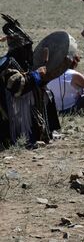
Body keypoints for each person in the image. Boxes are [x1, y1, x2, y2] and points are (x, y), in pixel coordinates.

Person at [1, 14, 60, 149]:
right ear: (19, 49)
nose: (30, 52)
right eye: (26, 49)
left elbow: (32, 80)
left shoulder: (21, 63)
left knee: (47, 93)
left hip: (22, 104)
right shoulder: (7, 63)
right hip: (10, 114)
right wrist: (37, 75)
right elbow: (17, 87)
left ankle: (47, 132)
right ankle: (24, 136)